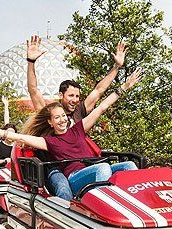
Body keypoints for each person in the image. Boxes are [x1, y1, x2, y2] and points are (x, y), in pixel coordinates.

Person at [0, 70, 143, 198]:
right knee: (103, 168)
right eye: (57, 118)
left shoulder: (78, 128)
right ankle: (102, 208)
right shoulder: (49, 141)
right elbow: (19, 137)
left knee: (129, 165)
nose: (61, 120)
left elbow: (102, 107)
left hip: (91, 171)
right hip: (74, 177)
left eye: (63, 117)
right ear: (50, 122)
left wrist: (125, 87)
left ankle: (134, 204)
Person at [26, 35, 127, 198]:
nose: (75, 100)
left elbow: (99, 91)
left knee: (125, 165)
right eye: (71, 96)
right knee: (63, 188)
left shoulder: (80, 110)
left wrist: (116, 66)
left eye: (77, 96)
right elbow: (33, 90)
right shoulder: (50, 112)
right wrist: (31, 62)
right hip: (56, 166)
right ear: (61, 95)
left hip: (80, 164)